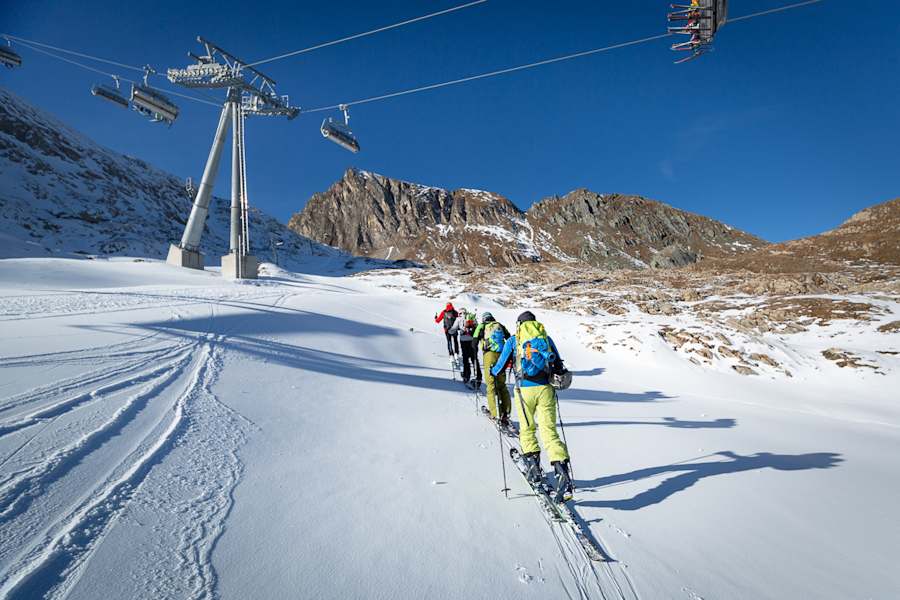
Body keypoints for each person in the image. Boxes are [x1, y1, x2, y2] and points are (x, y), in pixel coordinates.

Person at [491, 310, 573, 502]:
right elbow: (559, 366)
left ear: (519, 324)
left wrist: (493, 372)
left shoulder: (514, 340)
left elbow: (500, 366)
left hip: (524, 391)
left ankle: (534, 468)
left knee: (527, 429)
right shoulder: (546, 338)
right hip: (545, 389)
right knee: (549, 431)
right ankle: (562, 472)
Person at [473, 312, 511, 426]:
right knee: (502, 385)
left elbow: (474, 341)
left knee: (491, 385)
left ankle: (495, 413)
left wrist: (475, 353)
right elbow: (509, 339)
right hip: (502, 356)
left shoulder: (482, 326)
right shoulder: (500, 325)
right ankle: (506, 412)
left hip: (489, 356)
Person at [449, 308, 480, 387]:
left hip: (464, 341)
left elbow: (453, 329)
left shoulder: (458, 319)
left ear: (459, 313)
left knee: (465, 359)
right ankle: (478, 376)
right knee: (474, 359)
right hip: (472, 341)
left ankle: (467, 376)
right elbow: (477, 328)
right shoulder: (472, 318)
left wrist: (449, 331)